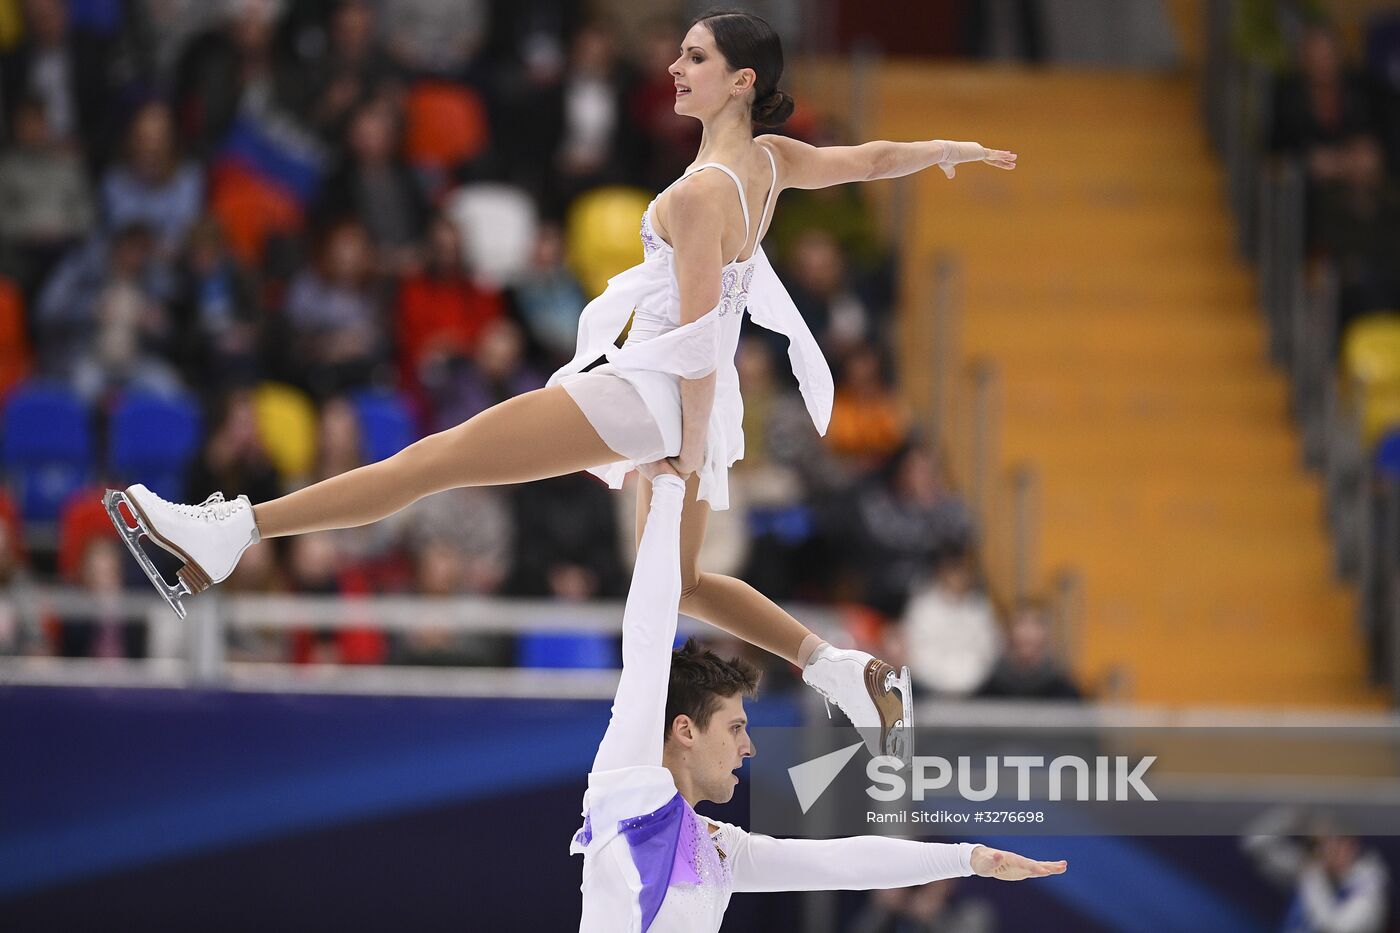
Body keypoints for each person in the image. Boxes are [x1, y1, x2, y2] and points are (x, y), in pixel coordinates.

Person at [105, 9, 1016, 759]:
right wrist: (946, 149)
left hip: (657, 391)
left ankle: (233, 530)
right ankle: (842, 671)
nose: (674, 65)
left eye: (695, 56)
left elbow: (699, 339)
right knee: (691, 580)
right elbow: (862, 159)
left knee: (433, 459)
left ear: (741, 80)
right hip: (678, 399)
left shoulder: (705, 193)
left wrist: (683, 447)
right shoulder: (769, 163)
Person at [573, 463, 1065, 932]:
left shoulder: (715, 849)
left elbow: (841, 862)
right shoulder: (631, 789)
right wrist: (667, 482)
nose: (749, 748)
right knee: (676, 584)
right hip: (669, 492)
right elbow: (647, 625)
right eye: (736, 728)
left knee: (682, 580)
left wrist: (969, 859)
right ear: (685, 730)